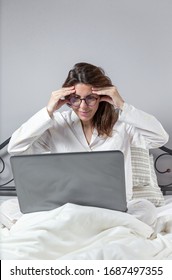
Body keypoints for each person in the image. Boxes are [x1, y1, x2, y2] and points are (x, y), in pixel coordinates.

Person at [8, 62, 169, 226]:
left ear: (102, 97)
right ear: (67, 99)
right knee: (8, 207)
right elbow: (15, 148)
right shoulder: (57, 124)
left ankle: (80, 226)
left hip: (112, 208)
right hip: (68, 206)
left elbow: (160, 138)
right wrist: (48, 110)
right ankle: (96, 226)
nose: (83, 106)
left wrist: (121, 105)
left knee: (146, 209)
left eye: (90, 98)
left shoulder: (122, 124)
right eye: (76, 98)